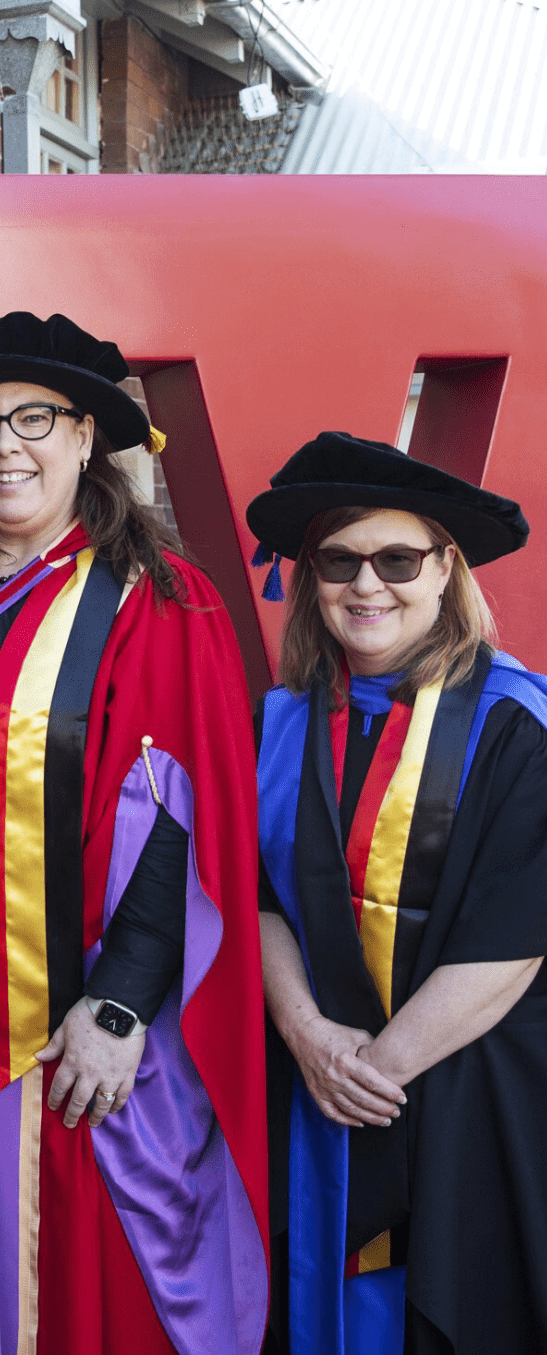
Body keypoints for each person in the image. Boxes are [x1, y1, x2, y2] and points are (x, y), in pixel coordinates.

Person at [0, 312, 268, 1353]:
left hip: (74, 1038)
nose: (4, 447)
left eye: (33, 418)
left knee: (81, 1298)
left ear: (87, 437)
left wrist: (121, 1004)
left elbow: (182, 814)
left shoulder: (154, 598)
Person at [247, 432, 547, 1355]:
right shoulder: (280, 722)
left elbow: (514, 935)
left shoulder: (516, 722)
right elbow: (250, 895)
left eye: (397, 557)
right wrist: (308, 1039)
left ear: (446, 567)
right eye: (339, 559)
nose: (366, 584)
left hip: (462, 1094)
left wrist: (370, 1075)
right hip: (310, 1090)